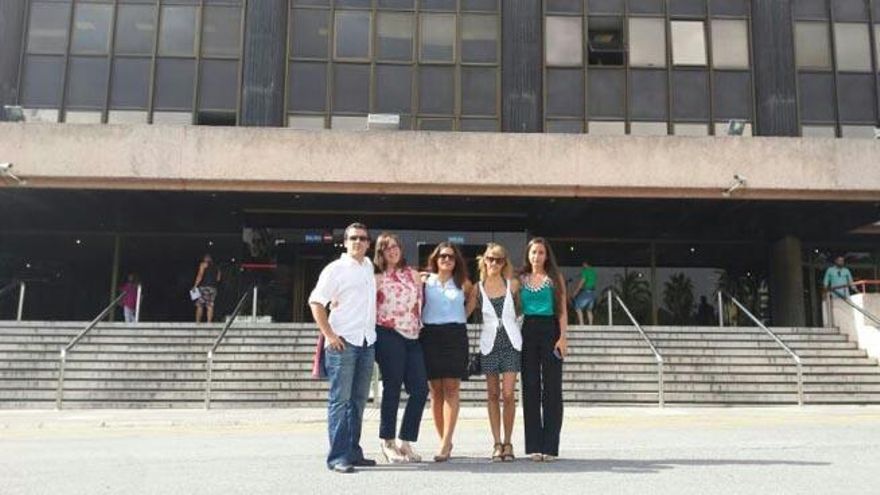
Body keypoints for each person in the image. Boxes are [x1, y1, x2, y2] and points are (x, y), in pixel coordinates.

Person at [308, 222, 377, 474]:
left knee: (358, 401)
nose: (357, 242)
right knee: (340, 400)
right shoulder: (335, 269)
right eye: (352, 238)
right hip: (343, 343)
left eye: (362, 238)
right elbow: (316, 302)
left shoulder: (369, 267)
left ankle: (353, 451)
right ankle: (337, 456)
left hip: (367, 341)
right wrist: (329, 334)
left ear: (368, 243)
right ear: (345, 242)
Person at [373, 232, 428, 464]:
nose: (393, 251)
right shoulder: (376, 277)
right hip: (388, 333)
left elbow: (421, 303)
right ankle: (388, 441)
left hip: (413, 335)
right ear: (381, 252)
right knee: (393, 387)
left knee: (420, 389)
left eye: (395, 247)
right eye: (387, 248)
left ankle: (406, 440)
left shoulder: (412, 274)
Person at [420, 242, 477, 462]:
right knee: (435, 390)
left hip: (455, 334)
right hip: (430, 335)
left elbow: (473, 299)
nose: (446, 260)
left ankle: (445, 443)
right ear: (436, 259)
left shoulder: (463, 283)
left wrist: (463, 314)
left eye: (451, 257)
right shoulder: (425, 281)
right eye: (442, 256)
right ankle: (443, 439)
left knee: (452, 388)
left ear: (456, 262)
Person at [519, 237, 568, 462]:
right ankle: (534, 446)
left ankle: (550, 445)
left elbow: (562, 311)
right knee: (530, 387)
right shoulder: (520, 279)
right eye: (533, 252)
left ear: (546, 256)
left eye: (540, 252)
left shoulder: (554, 279)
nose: (537, 256)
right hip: (527, 330)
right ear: (528, 255)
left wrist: (563, 337)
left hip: (550, 331)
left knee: (552, 388)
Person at [476, 243, 522, 462]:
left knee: (508, 394)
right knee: (492, 394)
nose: (494, 263)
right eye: (490, 259)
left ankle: (508, 441)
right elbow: (463, 311)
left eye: (499, 259)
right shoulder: (478, 287)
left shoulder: (512, 285)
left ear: (505, 263)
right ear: (484, 260)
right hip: (489, 344)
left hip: (511, 343)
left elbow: (523, 309)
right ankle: (496, 442)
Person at [192, 254, 221, 323]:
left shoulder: (203, 264)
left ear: (205, 258)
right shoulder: (217, 267)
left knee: (200, 305)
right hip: (213, 288)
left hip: (204, 287)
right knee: (210, 305)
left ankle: (198, 322)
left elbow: (200, 275)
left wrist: (195, 286)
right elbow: (218, 279)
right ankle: (209, 322)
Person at [571, 261, 597, 325]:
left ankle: (581, 324)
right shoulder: (593, 272)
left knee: (577, 307)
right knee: (589, 310)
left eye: (583, 264)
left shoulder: (585, 271)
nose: (582, 266)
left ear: (585, 264)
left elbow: (581, 283)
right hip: (593, 293)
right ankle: (591, 324)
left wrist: (575, 292)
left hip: (586, 292)